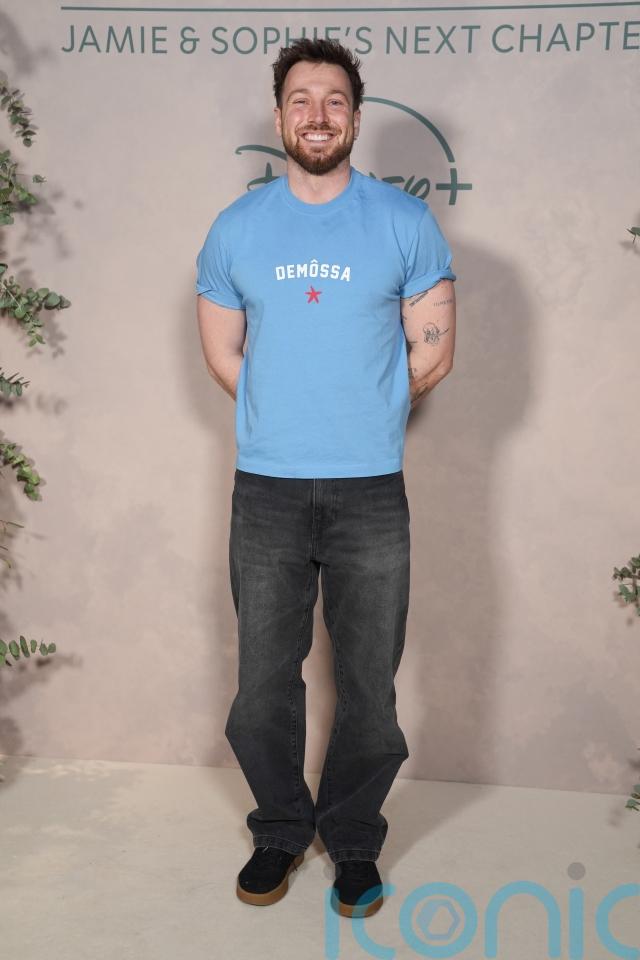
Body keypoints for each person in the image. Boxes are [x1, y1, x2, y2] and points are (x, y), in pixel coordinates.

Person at [195, 37, 456, 919]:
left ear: (355, 117)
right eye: (301, 99)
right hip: (266, 489)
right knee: (262, 687)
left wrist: (363, 412)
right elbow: (224, 356)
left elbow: (433, 351)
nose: (318, 114)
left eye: (335, 100)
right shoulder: (237, 228)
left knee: (370, 688)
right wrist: (289, 413)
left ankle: (351, 841)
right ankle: (278, 828)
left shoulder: (404, 222)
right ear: (279, 117)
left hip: (370, 490)